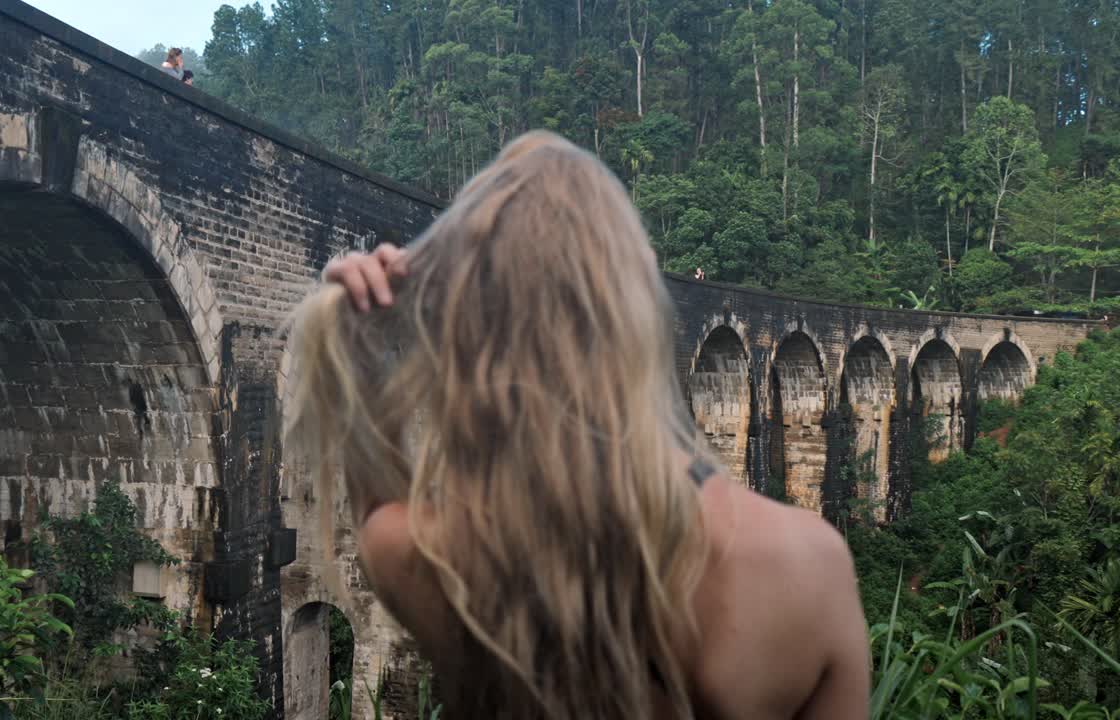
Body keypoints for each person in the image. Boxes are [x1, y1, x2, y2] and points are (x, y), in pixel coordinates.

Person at [285, 130, 869, 719]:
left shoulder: (435, 561)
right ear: (640, 306)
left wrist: (364, 337)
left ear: (471, 331)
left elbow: (373, 502)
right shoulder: (808, 566)